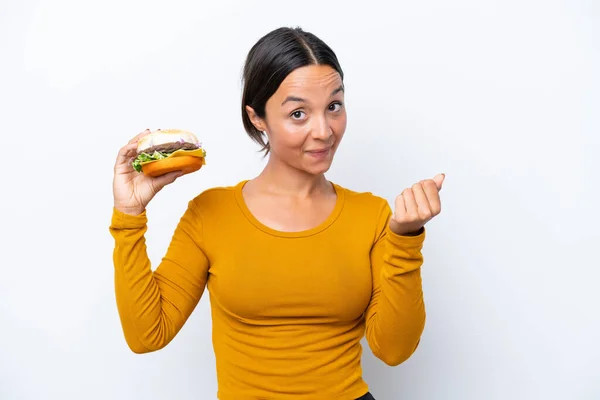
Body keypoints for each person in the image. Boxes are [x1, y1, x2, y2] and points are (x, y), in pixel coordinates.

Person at [109, 26, 444, 400]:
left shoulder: (373, 215)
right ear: (257, 118)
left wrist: (406, 239)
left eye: (334, 106)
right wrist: (128, 216)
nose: (324, 131)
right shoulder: (210, 213)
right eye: (298, 113)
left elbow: (394, 351)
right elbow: (146, 335)